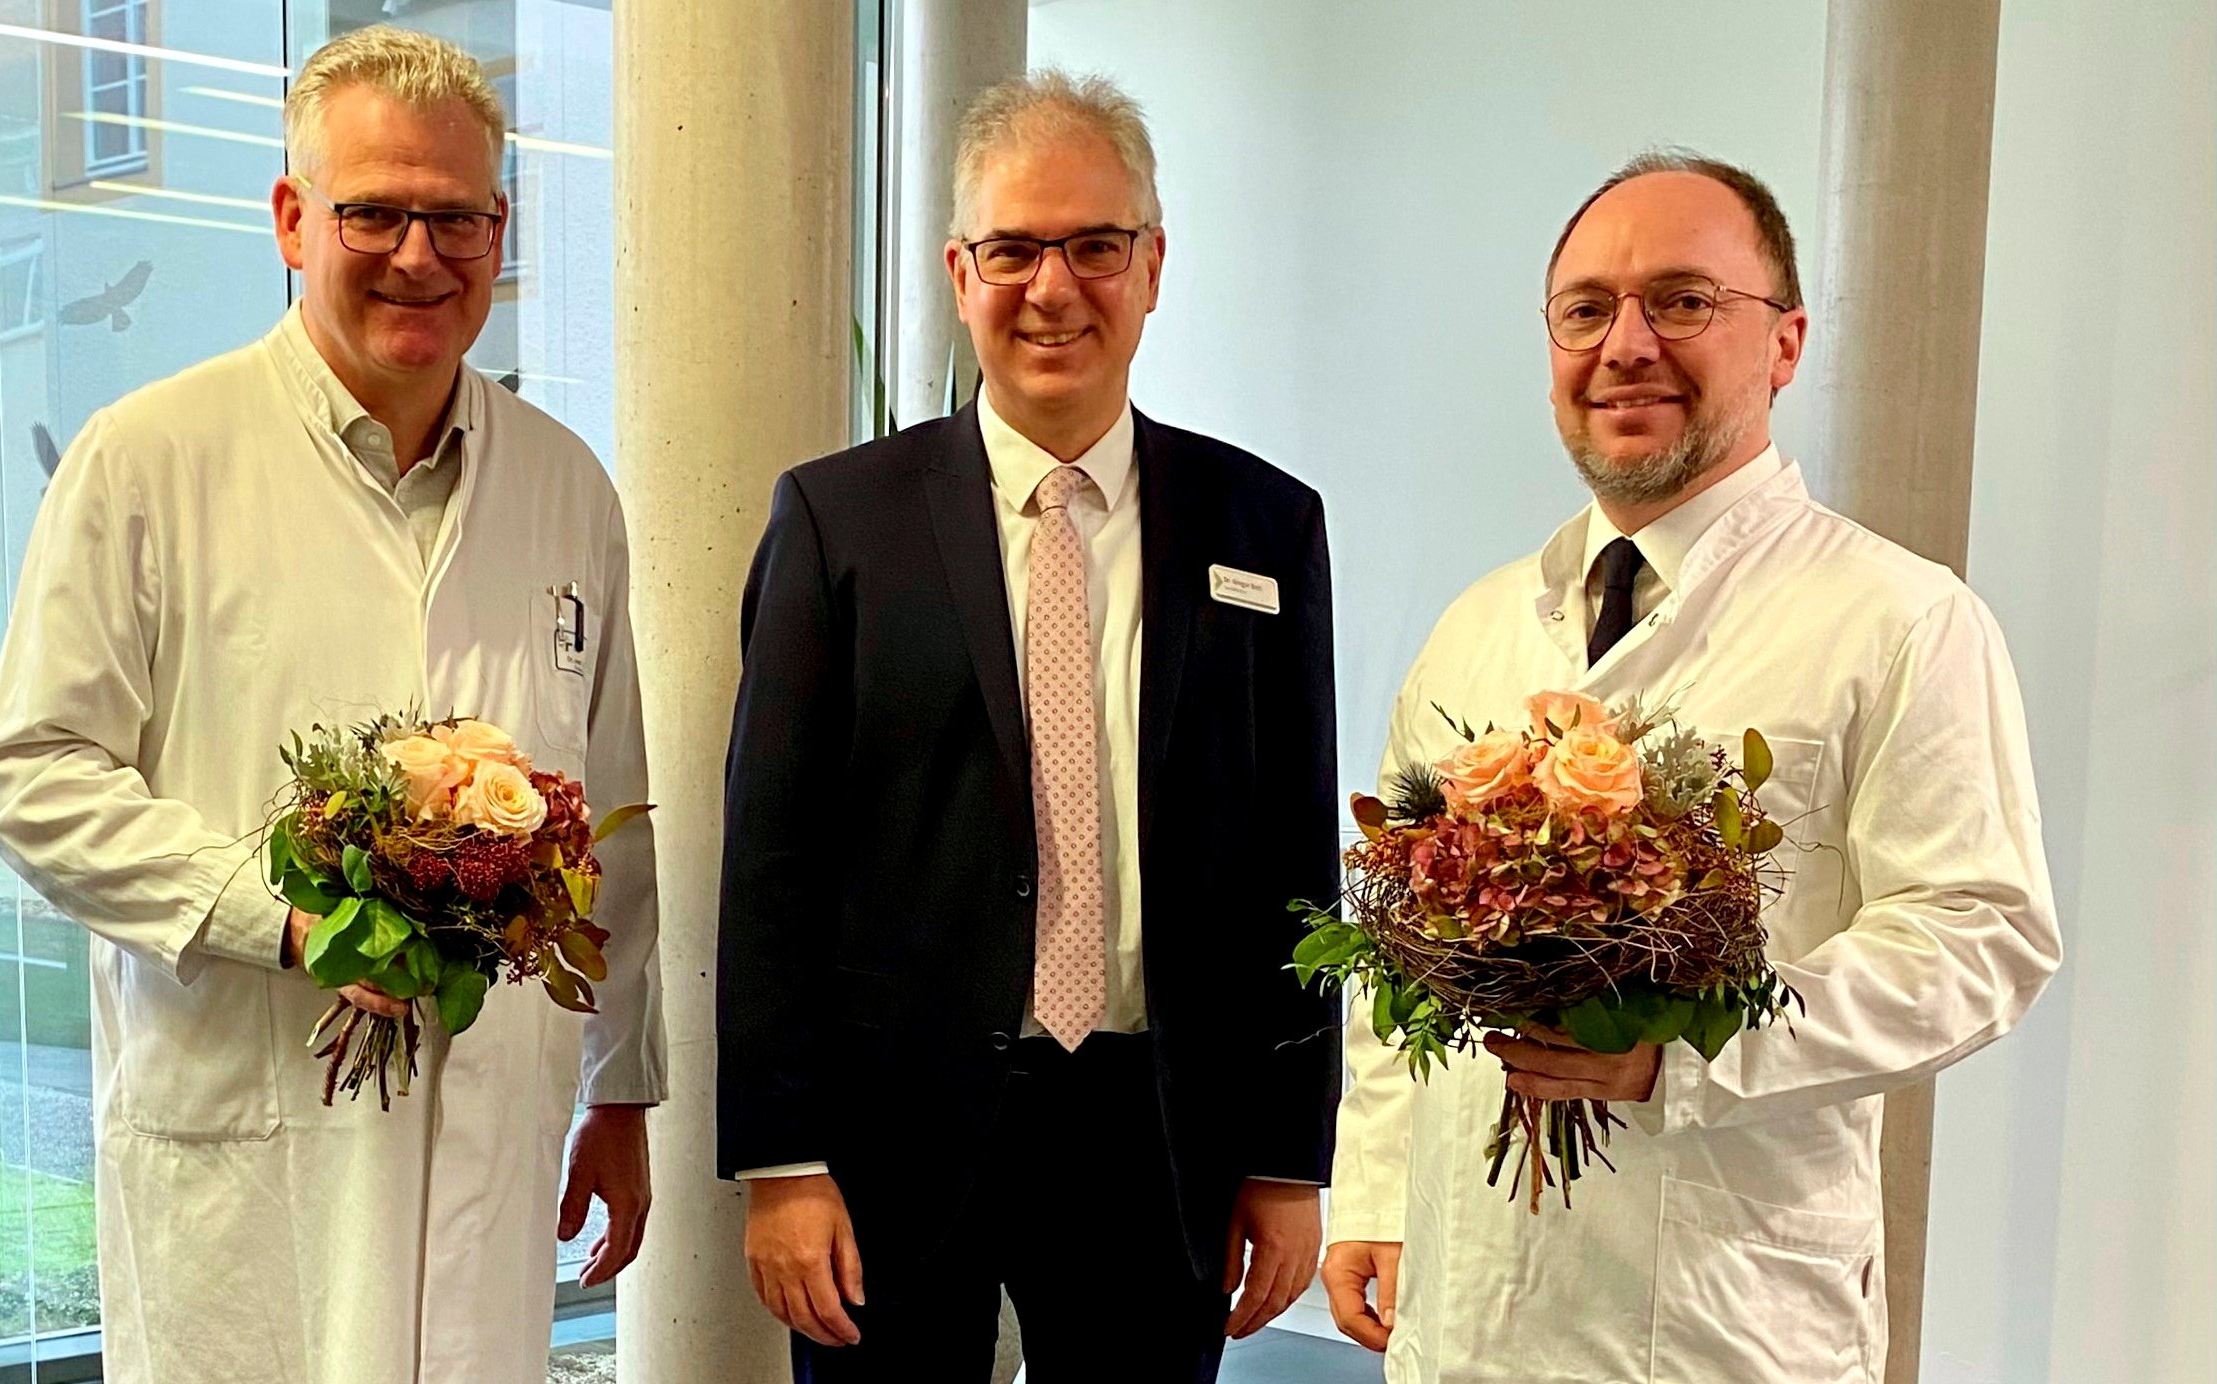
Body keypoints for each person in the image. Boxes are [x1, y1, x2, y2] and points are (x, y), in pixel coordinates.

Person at [0, 27, 662, 1384]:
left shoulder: (566, 486)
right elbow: (31, 774)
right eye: (374, 214)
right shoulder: (149, 460)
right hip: (249, 1125)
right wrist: (284, 920)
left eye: (455, 218)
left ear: (500, 229)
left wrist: (621, 1084)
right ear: (292, 219)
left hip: (490, 1131)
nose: (419, 255)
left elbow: (610, 816)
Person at [1321, 151, 2063, 1383]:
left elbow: (1979, 935)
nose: (1626, 346)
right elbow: (1399, 942)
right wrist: (1377, 1183)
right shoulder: (1481, 623)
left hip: (1723, 1321)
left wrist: (1691, 1054)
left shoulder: (1900, 618)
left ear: (1785, 343)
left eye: (1682, 300)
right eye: (1586, 310)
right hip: (1466, 1313)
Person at [717, 70, 1341, 1382]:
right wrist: (781, 1158)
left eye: (1094, 246)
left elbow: (1293, 859)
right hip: (891, 1134)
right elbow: (772, 858)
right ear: (960, 272)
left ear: (1152, 265)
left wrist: (1290, 1156)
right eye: (1012, 250)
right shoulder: (838, 520)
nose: (1052, 289)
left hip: (1158, 1126)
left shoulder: (1264, 525)